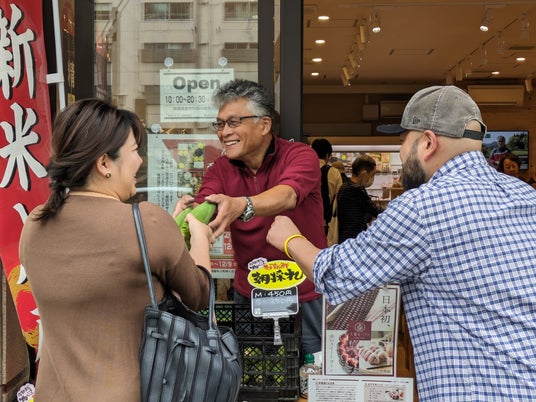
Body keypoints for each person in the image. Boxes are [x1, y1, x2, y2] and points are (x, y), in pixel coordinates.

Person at [265, 85, 536, 401]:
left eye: (403, 141)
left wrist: (290, 238)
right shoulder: (525, 195)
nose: (402, 152)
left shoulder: (422, 206)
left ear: (428, 143)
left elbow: (336, 273)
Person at [19, 99, 215, 401]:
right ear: (104, 164)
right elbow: (198, 295)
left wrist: (169, 231)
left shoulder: (34, 224)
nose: (140, 162)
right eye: (134, 151)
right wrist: (200, 239)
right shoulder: (147, 222)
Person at [174, 79, 326, 355]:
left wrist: (242, 205)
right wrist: (188, 216)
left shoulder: (299, 155)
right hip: (252, 293)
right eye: (220, 124)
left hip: (305, 291)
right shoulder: (220, 169)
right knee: (255, 369)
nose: (224, 132)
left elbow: (288, 195)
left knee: (311, 366)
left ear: (264, 125)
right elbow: (208, 205)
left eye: (233, 122)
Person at [336, 154, 384, 243]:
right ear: (364, 173)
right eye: (372, 175)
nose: (372, 179)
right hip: (354, 238)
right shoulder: (357, 189)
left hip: (345, 236)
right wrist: (392, 212)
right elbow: (374, 210)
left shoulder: (345, 186)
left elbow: (360, 211)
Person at [311, 138, 343, 235]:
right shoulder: (334, 172)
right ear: (327, 155)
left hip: (305, 221)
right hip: (325, 222)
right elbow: (339, 199)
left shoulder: (303, 169)